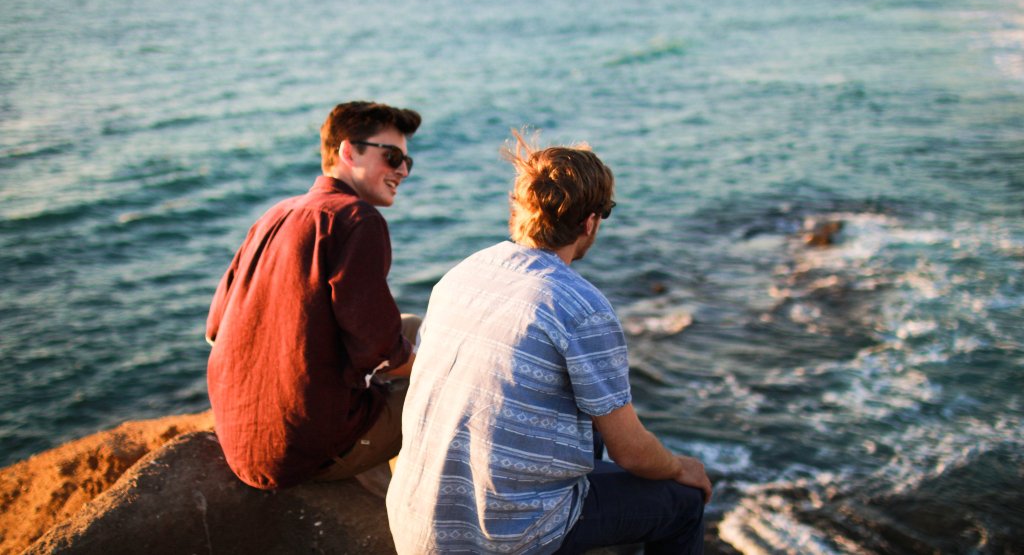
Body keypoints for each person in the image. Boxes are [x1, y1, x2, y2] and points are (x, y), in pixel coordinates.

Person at [387, 131, 712, 554]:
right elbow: (632, 452)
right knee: (683, 503)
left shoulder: (461, 275)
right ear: (589, 222)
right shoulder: (581, 306)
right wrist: (680, 467)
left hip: (415, 523)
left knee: (589, 429)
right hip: (497, 539)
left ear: (515, 206)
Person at [206, 100, 421, 491]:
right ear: (348, 151)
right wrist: (439, 372)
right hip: (302, 452)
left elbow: (215, 330)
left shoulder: (275, 215)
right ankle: (419, 511)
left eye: (407, 162)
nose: (402, 171)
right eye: (392, 157)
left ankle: (373, 475)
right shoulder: (358, 220)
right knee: (449, 388)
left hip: (239, 445)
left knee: (416, 327)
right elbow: (380, 351)